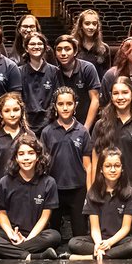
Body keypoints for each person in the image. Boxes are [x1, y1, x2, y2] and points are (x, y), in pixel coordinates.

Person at [0, 134, 62, 260]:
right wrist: (12, 235)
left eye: (30, 153)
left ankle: (1, 252)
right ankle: (31, 255)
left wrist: (28, 239)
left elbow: (45, 217)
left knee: (54, 236)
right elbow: (1, 212)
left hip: (36, 235)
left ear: (38, 156)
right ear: (16, 158)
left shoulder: (49, 182)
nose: (26, 158)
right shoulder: (5, 181)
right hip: (11, 234)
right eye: (21, 154)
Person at [91, 79, 132, 220]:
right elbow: (95, 162)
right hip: (106, 190)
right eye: (116, 93)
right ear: (111, 96)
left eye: (124, 92)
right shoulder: (101, 125)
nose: (120, 97)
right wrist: (93, 191)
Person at [67, 148, 132, 260]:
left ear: (122, 168)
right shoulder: (93, 193)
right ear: (101, 169)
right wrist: (99, 244)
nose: (112, 170)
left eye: (117, 166)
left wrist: (109, 243)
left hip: (118, 241)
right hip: (98, 240)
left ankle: (92, 257)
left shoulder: (129, 192)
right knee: (74, 242)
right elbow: (94, 228)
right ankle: (108, 255)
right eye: (108, 166)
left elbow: (126, 227)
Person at [39, 86, 93, 239]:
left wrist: (89, 191)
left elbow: (87, 165)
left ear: (75, 105)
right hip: (54, 188)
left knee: (80, 235)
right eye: (61, 104)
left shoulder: (82, 131)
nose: (65, 107)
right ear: (55, 106)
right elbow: (43, 164)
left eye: (69, 104)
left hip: (78, 189)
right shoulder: (47, 132)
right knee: (53, 234)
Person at [52, 34, 101, 129]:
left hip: (86, 125)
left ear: (75, 52)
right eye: (59, 49)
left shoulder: (88, 68)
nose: (63, 53)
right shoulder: (54, 72)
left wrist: (85, 128)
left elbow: (95, 100)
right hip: (63, 127)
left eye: (67, 49)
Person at [20, 32, 59, 134]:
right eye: (32, 44)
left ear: (45, 47)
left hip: (49, 125)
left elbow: (56, 99)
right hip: (25, 125)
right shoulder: (19, 71)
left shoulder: (54, 71)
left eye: (40, 44)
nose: (36, 46)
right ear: (26, 48)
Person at [72, 9, 113, 74]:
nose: (91, 27)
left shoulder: (104, 48)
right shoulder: (73, 46)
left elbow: (107, 73)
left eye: (94, 24)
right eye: (87, 23)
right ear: (81, 26)